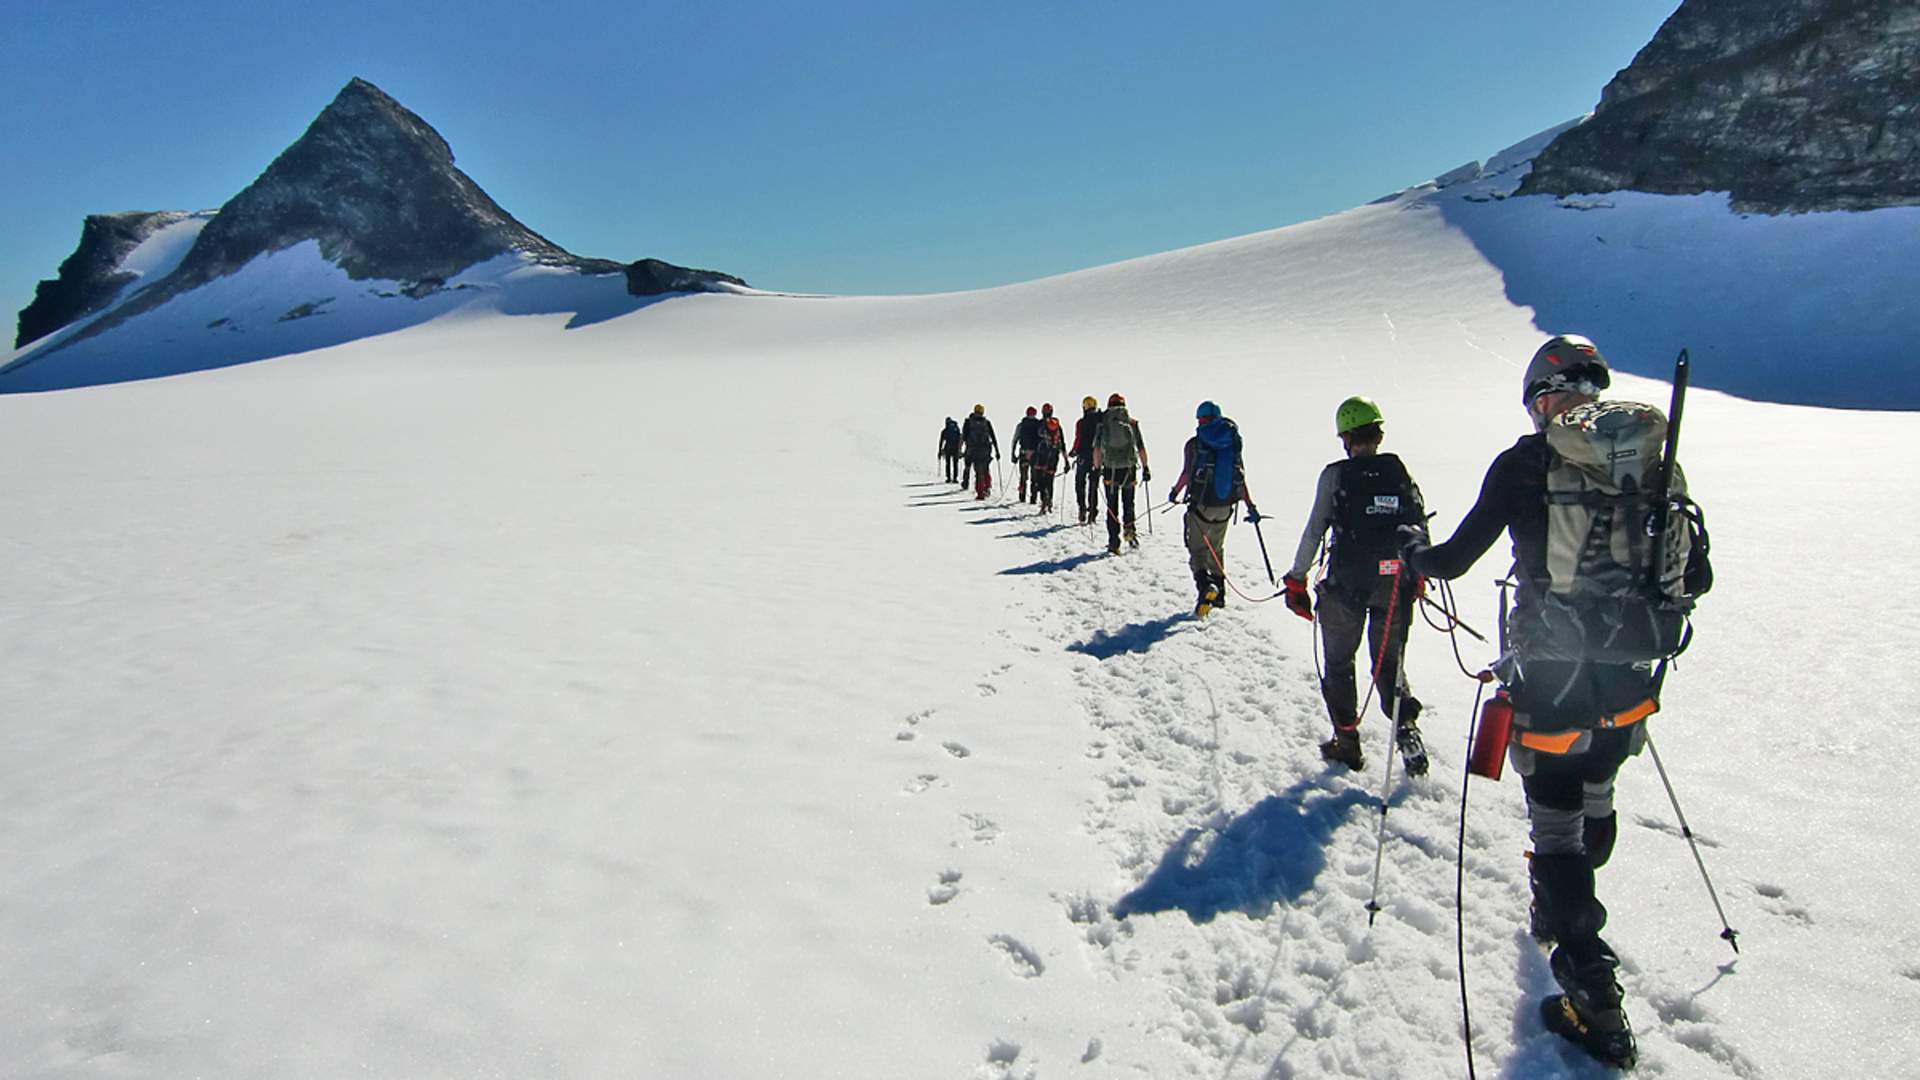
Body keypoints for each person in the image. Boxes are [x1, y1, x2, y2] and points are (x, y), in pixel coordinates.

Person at [1404, 334, 1659, 1070]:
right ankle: (1564, 906)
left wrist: (1414, 552)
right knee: (1596, 796)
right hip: (1631, 675)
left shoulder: (1523, 463)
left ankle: (1593, 995)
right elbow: (1692, 576)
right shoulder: (1647, 462)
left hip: (1550, 675)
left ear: (1542, 399)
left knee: (1555, 829)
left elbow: (1453, 559)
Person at [1281, 396, 1428, 775]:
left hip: (1346, 584)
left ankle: (1347, 743)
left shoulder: (1336, 475)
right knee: (1388, 662)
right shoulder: (1399, 471)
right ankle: (1406, 727)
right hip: (1394, 582)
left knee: (1339, 663)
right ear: (1377, 432)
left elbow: (1315, 529)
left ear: (1346, 435)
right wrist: (1418, 574)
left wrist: (1297, 577)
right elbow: (1418, 524)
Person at [1167, 401, 1258, 614]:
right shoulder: (1232, 443)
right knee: (1216, 549)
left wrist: (1175, 492)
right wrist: (1250, 505)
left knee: (1197, 550)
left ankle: (1206, 587)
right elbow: (1240, 477)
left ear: (1200, 419)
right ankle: (1220, 596)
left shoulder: (1194, 444)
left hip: (1201, 506)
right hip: (1226, 506)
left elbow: (1187, 474)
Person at [1092, 393, 1148, 555]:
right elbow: (1141, 447)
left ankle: (1113, 542)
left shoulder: (1103, 424)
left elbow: (1096, 449)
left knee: (1112, 506)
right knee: (1128, 503)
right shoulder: (1131, 423)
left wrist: (1096, 468)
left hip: (1110, 470)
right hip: (1129, 470)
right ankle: (1130, 532)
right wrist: (1145, 467)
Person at [1070, 396, 1103, 524]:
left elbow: (1078, 439)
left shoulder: (1081, 422)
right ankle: (1093, 512)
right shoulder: (1101, 421)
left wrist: (1073, 451)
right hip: (1097, 457)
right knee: (1093, 485)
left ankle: (1082, 508)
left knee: (1080, 484)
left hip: (1083, 457)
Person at [961, 404, 999, 501]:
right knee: (986, 469)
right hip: (986, 450)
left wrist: (963, 450)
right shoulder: (986, 422)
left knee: (978, 472)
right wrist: (997, 451)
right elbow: (993, 437)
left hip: (973, 450)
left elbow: (964, 437)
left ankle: (980, 493)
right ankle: (987, 487)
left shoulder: (969, 422)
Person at [1031, 415, 1066, 513]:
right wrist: (1066, 461)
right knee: (1050, 481)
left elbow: (1034, 442)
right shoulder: (1058, 430)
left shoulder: (1041, 429)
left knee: (1040, 480)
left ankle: (1044, 499)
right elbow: (1063, 445)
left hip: (1042, 457)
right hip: (1054, 458)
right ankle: (1049, 501)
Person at [1012, 406, 1043, 502]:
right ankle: (1033, 498)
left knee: (1023, 477)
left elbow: (1015, 439)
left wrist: (1013, 454)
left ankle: (1022, 496)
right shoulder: (1039, 425)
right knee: (1034, 477)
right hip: (1035, 454)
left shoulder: (1021, 425)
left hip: (1023, 453)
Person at [938, 417, 963, 484]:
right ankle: (955, 478)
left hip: (948, 448)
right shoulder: (956, 429)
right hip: (955, 448)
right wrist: (959, 449)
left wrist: (940, 450)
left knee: (948, 463)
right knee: (955, 463)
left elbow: (941, 441)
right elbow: (960, 439)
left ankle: (948, 478)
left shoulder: (945, 431)